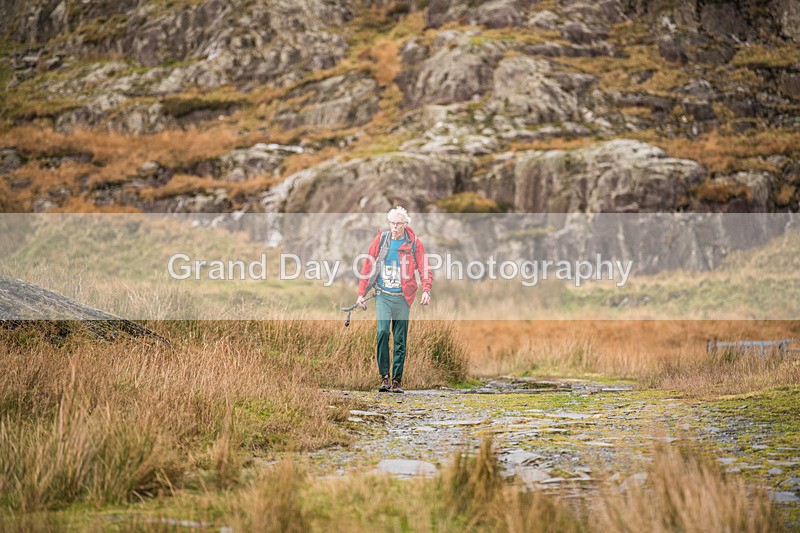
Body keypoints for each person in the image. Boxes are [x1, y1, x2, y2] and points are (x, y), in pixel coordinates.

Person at [356, 206, 432, 393]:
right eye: (392, 223)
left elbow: (424, 268)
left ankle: (397, 380)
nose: (395, 227)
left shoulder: (414, 243)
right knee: (382, 332)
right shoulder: (382, 240)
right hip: (383, 295)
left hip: (403, 298)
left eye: (398, 223)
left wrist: (426, 290)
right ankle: (384, 377)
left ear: (405, 224)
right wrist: (361, 294)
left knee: (400, 339)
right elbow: (367, 266)